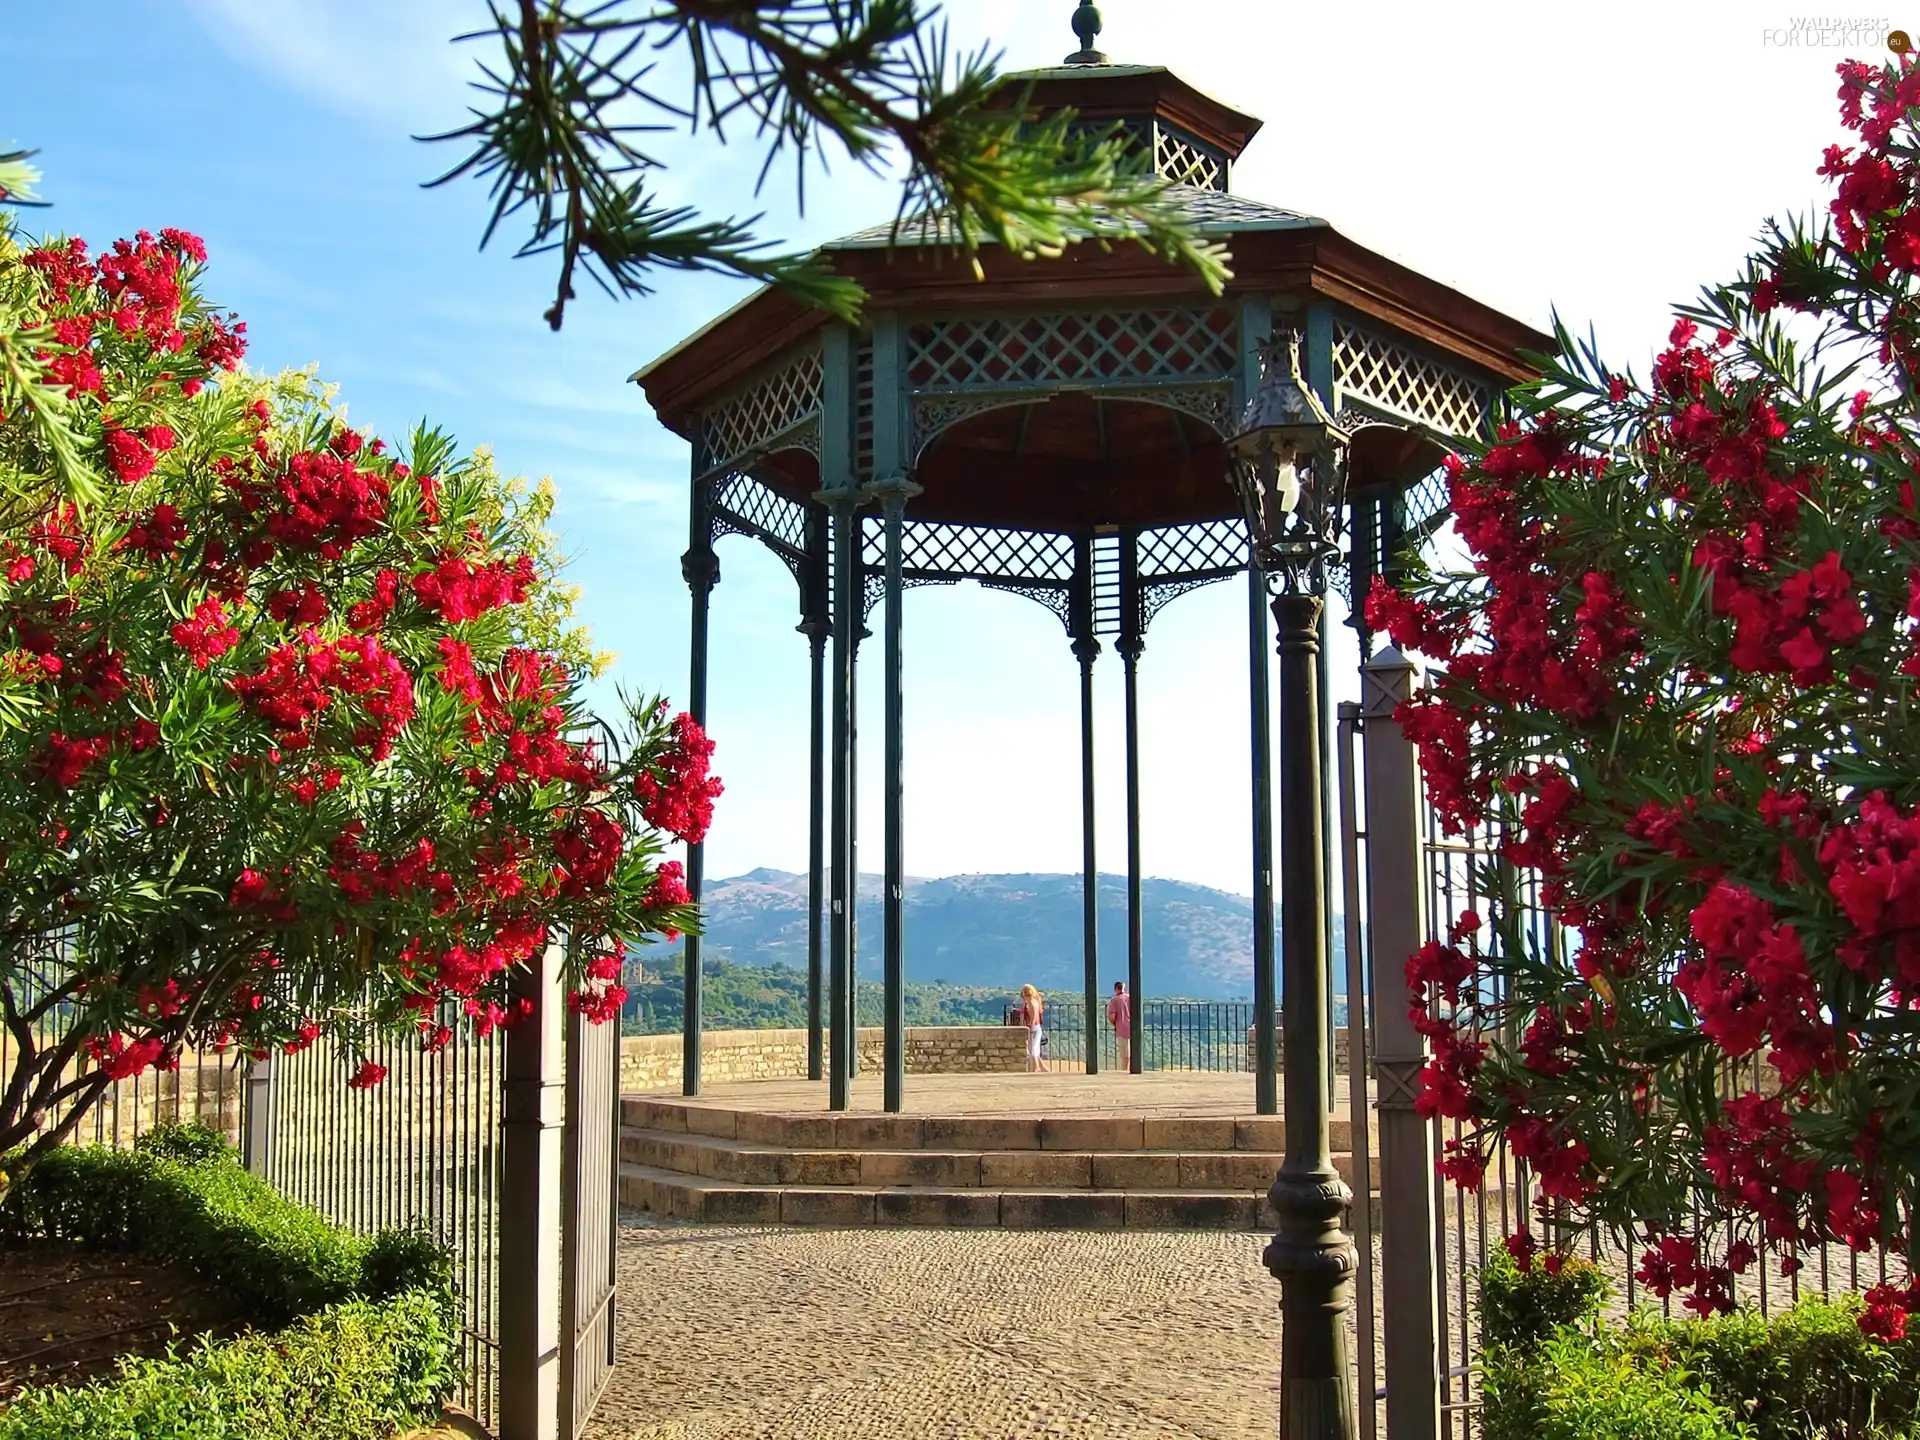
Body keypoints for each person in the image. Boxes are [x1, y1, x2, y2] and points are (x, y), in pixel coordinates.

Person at [1019, 984, 1046, 1073]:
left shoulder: (1031, 1002)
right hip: (1036, 1027)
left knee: (1032, 1049)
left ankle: (1036, 1067)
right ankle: (1043, 1068)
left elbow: (1034, 1016)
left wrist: (1030, 1025)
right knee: (1035, 1048)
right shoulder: (1034, 1001)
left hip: (1033, 1027)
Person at [1106, 980, 1131, 1073]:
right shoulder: (1130, 998)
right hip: (1132, 1027)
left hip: (1122, 1028)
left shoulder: (1114, 1000)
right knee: (1130, 1049)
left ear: (1115, 989)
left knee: (1123, 1052)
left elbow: (1112, 1015)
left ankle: (1124, 1070)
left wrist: (1115, 1024)